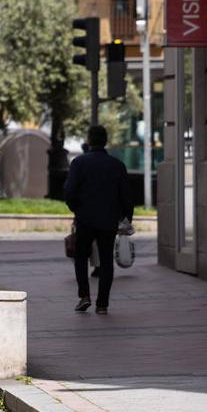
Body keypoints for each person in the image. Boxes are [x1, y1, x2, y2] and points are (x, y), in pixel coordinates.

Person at [63, 124, 133, 315]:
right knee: (106, 261)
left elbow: (69, 191)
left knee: (81, 258)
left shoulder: (79, 163)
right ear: (106, 141)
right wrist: (126, 219)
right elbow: (126, 196)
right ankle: (102, 304)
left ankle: (84, 296)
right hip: (109, 220)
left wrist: (76, 209)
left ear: (89, 141)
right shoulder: (117, 165)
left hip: (85, 219)